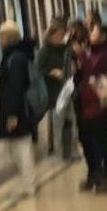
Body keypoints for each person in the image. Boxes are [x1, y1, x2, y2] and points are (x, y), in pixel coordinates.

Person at [75, 25, 107, 193]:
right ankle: (94, 174)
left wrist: (81, 55)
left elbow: (95, 69)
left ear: (103, 36)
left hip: (101, 104)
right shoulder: (90, 52)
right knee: (87, 140)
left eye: (93, 32)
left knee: (100, 141)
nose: (90, 34)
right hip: (86, 102)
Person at [0, 21, 38, 198]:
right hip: (20, 110)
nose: (0, 40)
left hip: (19, 111)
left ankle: (28, 184)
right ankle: (26, 182)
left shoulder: (15, 59)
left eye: (2, 36)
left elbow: (15, 87)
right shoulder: (17, 56)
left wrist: (12, 115)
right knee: (20, 147)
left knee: (21, 148)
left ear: (8, 38)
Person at [36, 19, 71, 159]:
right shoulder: (45, 50)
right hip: (52, 91)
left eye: (62, 35)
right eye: (58, 35)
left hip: (66, 89)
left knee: (68, 121)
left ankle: (68, 152)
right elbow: (37, 69)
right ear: (50, 35)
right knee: (58, 123)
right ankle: (59, 151)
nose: (60, 38)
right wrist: (51, 72)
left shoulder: (65, 49)